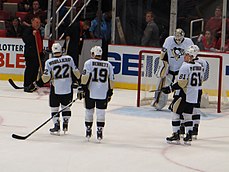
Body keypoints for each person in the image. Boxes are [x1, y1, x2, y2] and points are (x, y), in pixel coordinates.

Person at [28, 43, 80, 135]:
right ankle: (65, 123)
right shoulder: (69, 59)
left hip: (56, 88)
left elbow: (46, 77)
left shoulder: (49, 62)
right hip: (68, 87)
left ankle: (56, 125)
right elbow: (76, 72)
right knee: (66, 107)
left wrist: (37, 84)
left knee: (54, 108)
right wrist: (82, 83)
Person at [161, 45, 204, 145]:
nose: (185, 56)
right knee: (188, 115)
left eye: (187, 55)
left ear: (192, 56)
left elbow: (182, 83)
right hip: (194, 95)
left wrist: (170, 88)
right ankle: (189, 135)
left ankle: (176, 134)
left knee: (175, 113)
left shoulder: (185, 66)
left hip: (184, 94)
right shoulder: (199, 66)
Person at [151, 28, 194, 110]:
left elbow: (192, 56)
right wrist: (163, 66)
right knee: (163, 86)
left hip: (182, 70)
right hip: (169, 69)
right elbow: (163, 54)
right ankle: (159, 103)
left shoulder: (188, 42)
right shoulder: (169, 40)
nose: (177, 40)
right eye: (176, 38)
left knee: (180, 88)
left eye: (179, 38)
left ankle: (176, 104)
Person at [78, 45, 114, 141]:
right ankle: (99, 131)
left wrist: (82, 88)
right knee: (101, 112)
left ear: (93, 54)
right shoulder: (108, 65)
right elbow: (111, 80)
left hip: (91, 92)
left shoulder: (89, 63)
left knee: (89, 111)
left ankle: (88, 130)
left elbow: (85, 77)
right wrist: (110, 93)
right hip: (103, 92)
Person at [22, 16, 45, 92]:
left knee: (35, 70)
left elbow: (39, 43)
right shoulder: (28, 30)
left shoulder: (39, 31)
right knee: (30, 69)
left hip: (37, 54)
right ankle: (27, 84)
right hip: (30, 54)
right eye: (36, 22)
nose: (38, 24)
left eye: (39, 22)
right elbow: (25, 40)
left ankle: (33, 84)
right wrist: (32, 35)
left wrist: (41, 52)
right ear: (32, 22)